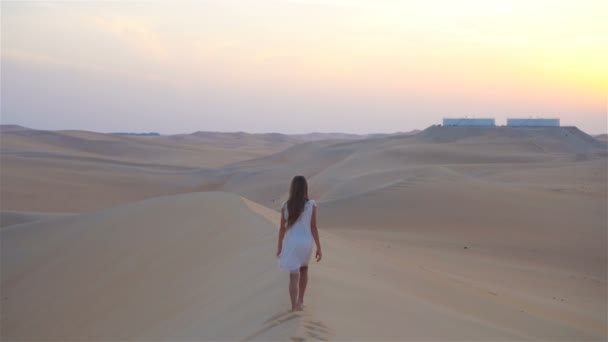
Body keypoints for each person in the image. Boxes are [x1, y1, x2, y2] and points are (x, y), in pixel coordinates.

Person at [276, 175, 322, 311]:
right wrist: (319, 247)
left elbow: (282, 228)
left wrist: (279, 246)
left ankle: (293, 306)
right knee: (304, 269)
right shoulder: (311, 205)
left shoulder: (286, 206)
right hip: (306, 243)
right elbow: (314, 227)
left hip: (292, 243)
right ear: (305, 189)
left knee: (293, 275)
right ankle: (301, 301)